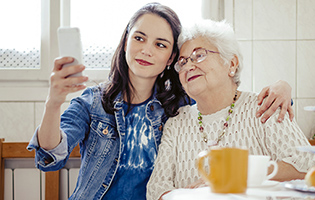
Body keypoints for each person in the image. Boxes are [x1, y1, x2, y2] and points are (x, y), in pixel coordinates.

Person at [27, 3, 293, 200]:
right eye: (139, 38)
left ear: (170, 59)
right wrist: (53, 102)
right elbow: (50, 157)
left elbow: (226, 95)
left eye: (161, 44)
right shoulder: (93, 102)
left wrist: (283, 87)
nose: (146, 50)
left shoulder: (181, 106)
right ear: (126, 43)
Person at [146, 19, 315, 200]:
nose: (188, 66)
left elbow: (308, 164)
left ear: (231, 64)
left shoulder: (264, 106)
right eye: (182, 62)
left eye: (199, 55)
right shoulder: (176, 124)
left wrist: (238, 175)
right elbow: (156, 189)